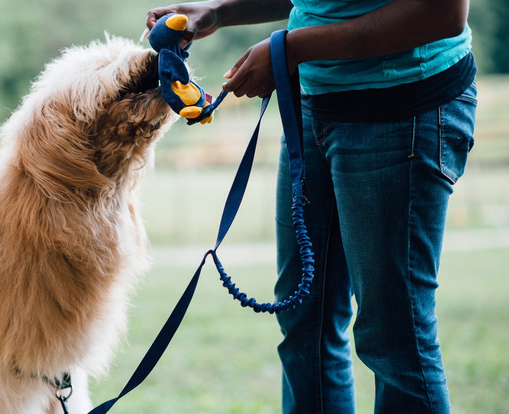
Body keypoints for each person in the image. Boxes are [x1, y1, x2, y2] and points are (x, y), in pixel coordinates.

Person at [146, 0, 476, 412]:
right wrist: (218, 11)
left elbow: (440, 13)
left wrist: (292, 48)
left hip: (401, 109)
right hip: (313, 106)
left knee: (394, 337)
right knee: (306, 325)